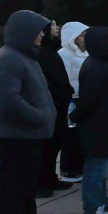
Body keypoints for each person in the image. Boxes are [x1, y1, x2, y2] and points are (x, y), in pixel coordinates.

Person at [0, 11, 57, 214]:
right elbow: (7, 101)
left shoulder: (25, 57)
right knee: (14, 192)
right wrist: (40, 116)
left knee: (27, 190)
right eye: (38, 31)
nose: (42, 35)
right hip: (16, 139)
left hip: (30, 137)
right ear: (24, 32)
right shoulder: (8, 60)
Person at [69, 26, 108, 214]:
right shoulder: (94, 67)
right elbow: (89, 100)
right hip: (97, 127)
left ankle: (102, 202)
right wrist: (75, 116)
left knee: (102, 170)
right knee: (95, 170)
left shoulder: (102, 63)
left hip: (106, 125)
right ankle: (92, 211)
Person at [36, 20, 75, 197]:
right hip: (52, 103)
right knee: (47, 147)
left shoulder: (50, 50)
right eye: (52, 25)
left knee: (55, 144)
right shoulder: (41, 53)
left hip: (59, 104)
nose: (56, 28)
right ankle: (42, 183)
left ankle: (50, 178)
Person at [57, 20, 89, 182]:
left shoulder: (86, 53)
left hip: (84, 98)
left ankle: (80, 167)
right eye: (81, 35)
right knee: (71, 137)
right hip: (72, 99)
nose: (84, 38)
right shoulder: (63, 54)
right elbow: (64, 78)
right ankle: (69, 170)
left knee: (82, 136)